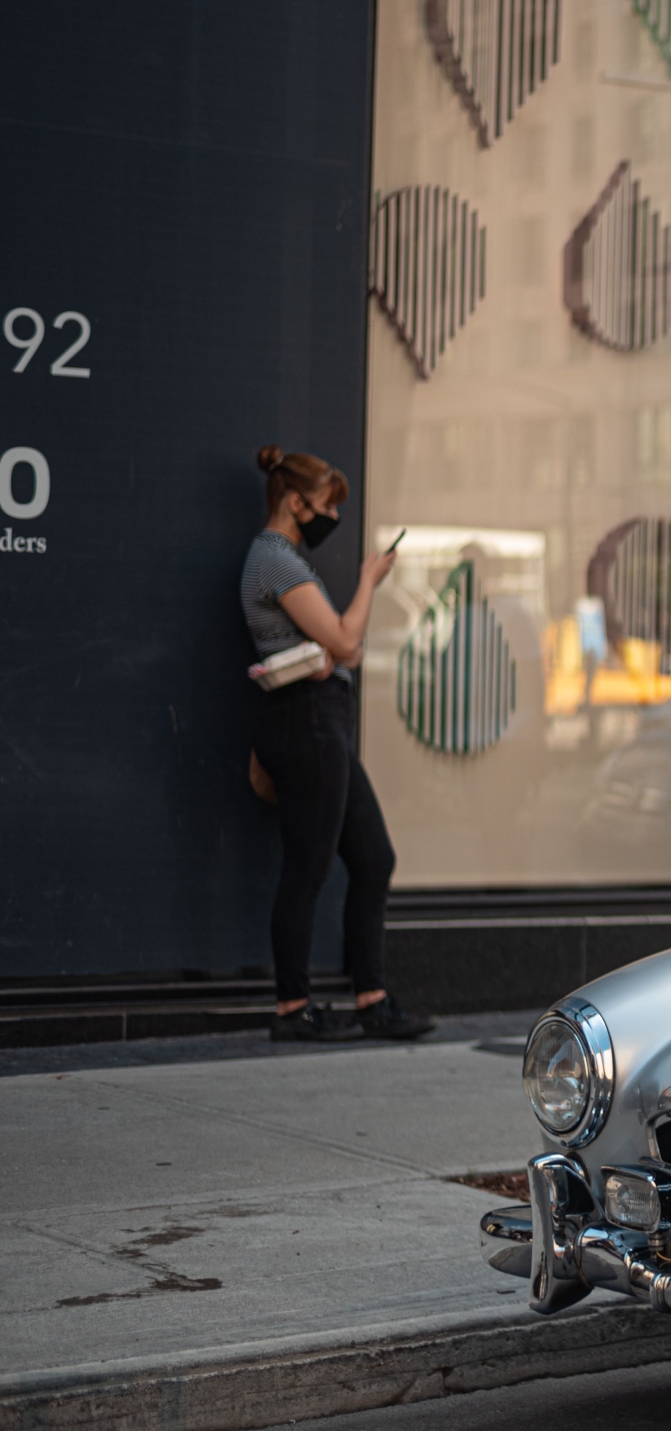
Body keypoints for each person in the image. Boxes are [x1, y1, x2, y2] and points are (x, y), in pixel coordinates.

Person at [240, 446, 433, 1043]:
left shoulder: (283, 559)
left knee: (372, 858)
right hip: (306, 724)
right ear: (294, 502)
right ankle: (292, 1008)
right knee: (308, 867)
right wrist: (370, 581)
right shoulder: (275, 559)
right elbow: (347, 643)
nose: (330, 517)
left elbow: (328, 649)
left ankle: (371, 998)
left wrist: (329, 654)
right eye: (324, 505)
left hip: (319, 722)